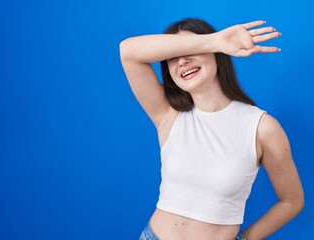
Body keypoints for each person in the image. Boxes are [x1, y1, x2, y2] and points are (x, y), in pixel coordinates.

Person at [120, 18, 304, 240]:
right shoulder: (168, 115)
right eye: (173, 58)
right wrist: (215, 40)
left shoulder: (261, 127)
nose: (182, 62)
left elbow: (292, 201)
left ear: (218, 56)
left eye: (192, 49)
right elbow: (128, 51)